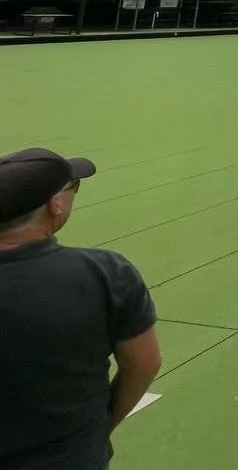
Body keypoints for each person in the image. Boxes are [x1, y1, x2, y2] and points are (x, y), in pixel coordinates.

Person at [1, 148, 162, 470]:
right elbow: (143, 364)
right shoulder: (105, 273)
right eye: (74, 187)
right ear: (55, 204)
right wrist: (99, 429)